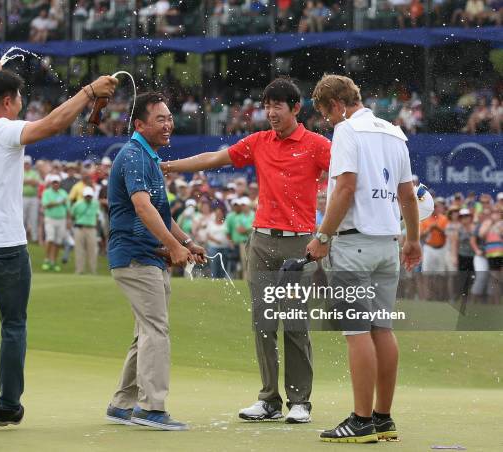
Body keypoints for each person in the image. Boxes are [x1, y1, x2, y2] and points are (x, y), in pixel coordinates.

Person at [0, 61, 117, 433]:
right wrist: (89, 92)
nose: (22, 102)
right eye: (18, 97)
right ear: (6, 101)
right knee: (14, 325)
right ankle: (7, 406)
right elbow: (53, 123)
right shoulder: (6, 131)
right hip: (5, 247)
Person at [163, 78, 330, 423]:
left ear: (295, 109)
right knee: (264, 322)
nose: (269, 113)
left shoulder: (316, 145)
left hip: (299, 242)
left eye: (277, 106)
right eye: (266, 106)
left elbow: (347, 176)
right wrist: (172, 166)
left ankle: (300, 401)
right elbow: (215, 158)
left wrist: (329, 234)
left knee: (295, 324)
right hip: (261, 241)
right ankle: (269, 399)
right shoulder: (259, 141)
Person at [306, 74, 421, 443]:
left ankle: (360, 420)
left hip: (354, 245)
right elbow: (407, 194)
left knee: (357, 334)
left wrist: (322, 237)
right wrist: (413, 240)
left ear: (338, 105)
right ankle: (383, 418)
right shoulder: (393, 131)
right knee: (382, 330)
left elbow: (345, 188)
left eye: (327, 113)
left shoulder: (346, 131)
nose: (328, 121)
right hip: (388, 244)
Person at [105, 92, 206, 431]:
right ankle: (151, 408)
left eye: (169, 117)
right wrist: (174, 248)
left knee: (145, 331)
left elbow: (161, 213)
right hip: (136, 256)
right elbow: (143, 208)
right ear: (139, 124)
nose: (169, 124)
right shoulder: (135, 155)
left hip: (145, 255)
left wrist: (187, 242)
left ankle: (122, 404)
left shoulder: (146, 156)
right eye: (160, 119)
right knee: (155, 331)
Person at [41, 174, 70, 271]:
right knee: (50, 239)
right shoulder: (47, 192)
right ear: (51, 184)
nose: (55, 184)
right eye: (54, 183)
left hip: (61, 219)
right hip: (50, 218)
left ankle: (53, 262)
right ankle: (46, 259)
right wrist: (58, 203)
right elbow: (46, 205)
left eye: (57, 182)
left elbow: (68, 207)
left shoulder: (63, 193)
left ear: (59, 183)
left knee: (58, 242)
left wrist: (68, 220)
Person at [71, 185, 100, 275]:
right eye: (87, 196)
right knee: (79, 250)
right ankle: (79, 270)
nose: (88, 198)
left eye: (90, 196)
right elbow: (72, 214)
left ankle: (93, 271)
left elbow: (97, 215)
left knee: (93, 250)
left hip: (91, 228)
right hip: (80, 228)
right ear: (84, 195)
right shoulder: (78, 204)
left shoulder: (95, 203)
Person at [22, 156, 41, 243]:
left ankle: (34, 237)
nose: (26, 165)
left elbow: (37, 183)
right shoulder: (20, 172)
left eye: (28, 164)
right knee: (23, 218)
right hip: (23, 197)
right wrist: (30, 181)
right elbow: (22, 181)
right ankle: (23, 237)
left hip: (33, 198)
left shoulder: (35, 173)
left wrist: (26, 181)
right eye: (25, 164)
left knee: (33, 218)